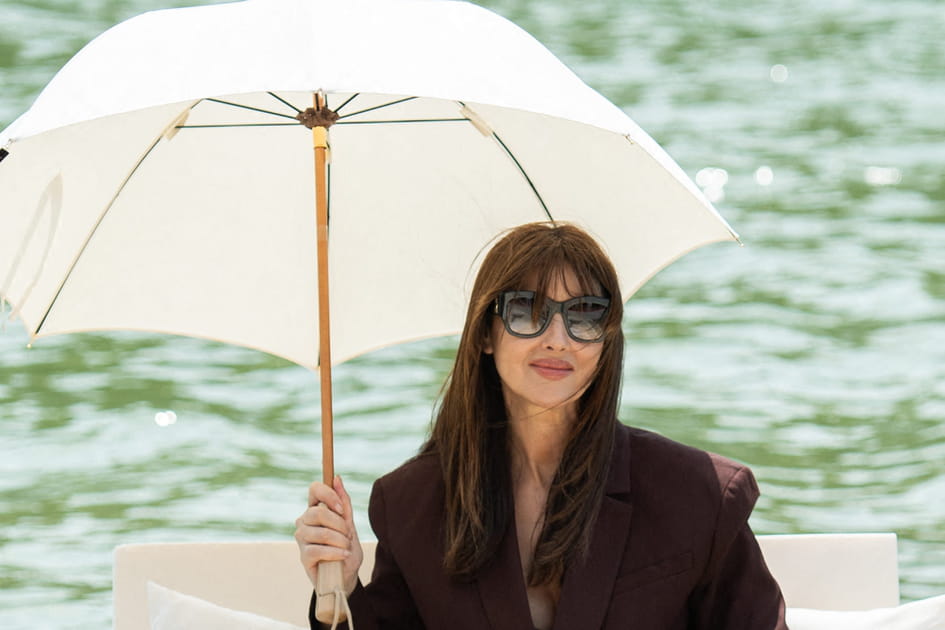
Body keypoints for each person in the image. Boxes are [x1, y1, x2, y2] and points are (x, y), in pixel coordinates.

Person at [295, 222, 787, 629]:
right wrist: (337, 584)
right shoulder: (410, 504)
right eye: (527, 310)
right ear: (486, 333)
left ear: (606, 338)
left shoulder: (698, 495)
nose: (557, 339)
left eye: (585, 314)